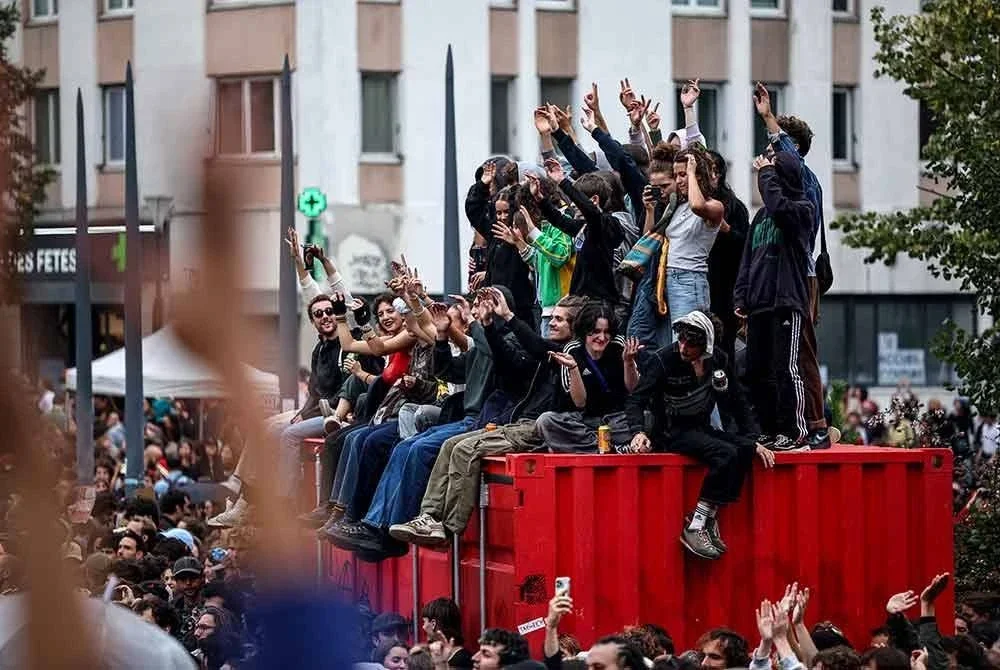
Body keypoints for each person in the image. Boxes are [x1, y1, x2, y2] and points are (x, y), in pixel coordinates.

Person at [390, 295, 586, 546]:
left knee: (464, 449)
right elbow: (505, 360)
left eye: (559, 319)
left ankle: (448, 529)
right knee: (450, 444)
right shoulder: (543, 351)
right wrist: (487, 326)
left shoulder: (570, 352)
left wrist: (500, 319)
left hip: (534, 427)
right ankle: (429, 517)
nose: (552, 322)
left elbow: (527, 346)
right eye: (553, 317)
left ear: (575, 326)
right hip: (516, 422)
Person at [625, 311, 772, 559]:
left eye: (691, 342)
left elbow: (738, 402)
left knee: (744, 450)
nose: (683, 346)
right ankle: (695, 526)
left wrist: (754, 440)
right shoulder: (663, 360)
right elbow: (635, 400)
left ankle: (707, 520)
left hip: (700, 427)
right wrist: (638, 432)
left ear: (707, 344)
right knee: (725, 453)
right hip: (670, 431)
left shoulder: (719, 361)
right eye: (681, 339)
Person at [753, 83, 829, 448]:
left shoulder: (803, 180)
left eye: (776, 146)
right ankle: (804, 423)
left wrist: (769, 118)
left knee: (800, 356)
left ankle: (814, 425)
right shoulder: (793, 182)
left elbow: (788, 158)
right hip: (783, 278)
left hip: (798, 277)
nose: (768, 153)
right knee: (788, 357)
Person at [735, 150, 826, 451]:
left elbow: (779, 205)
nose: (765, 172)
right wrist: (741, 295)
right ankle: (768, 429)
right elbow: (748, 258)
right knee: (756, 371)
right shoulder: (760, 217)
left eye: (774, 169)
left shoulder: (801, 209)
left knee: (786, 368)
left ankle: (795, 430)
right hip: (760, 304)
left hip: (786, 302)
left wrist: (766, 174)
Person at [534, 301, 636, 453]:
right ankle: (610, 449)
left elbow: (633, 388)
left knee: (648, 420)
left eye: (606, 332)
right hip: (584, 421)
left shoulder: (618, 345)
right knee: (546, 421)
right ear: (584, 330)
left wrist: (628, 362)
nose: (602, 337)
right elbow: (580, 402)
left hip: (617, 420)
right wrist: (573, 368)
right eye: (595, 331)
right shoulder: (572, 350)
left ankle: (595, 446)